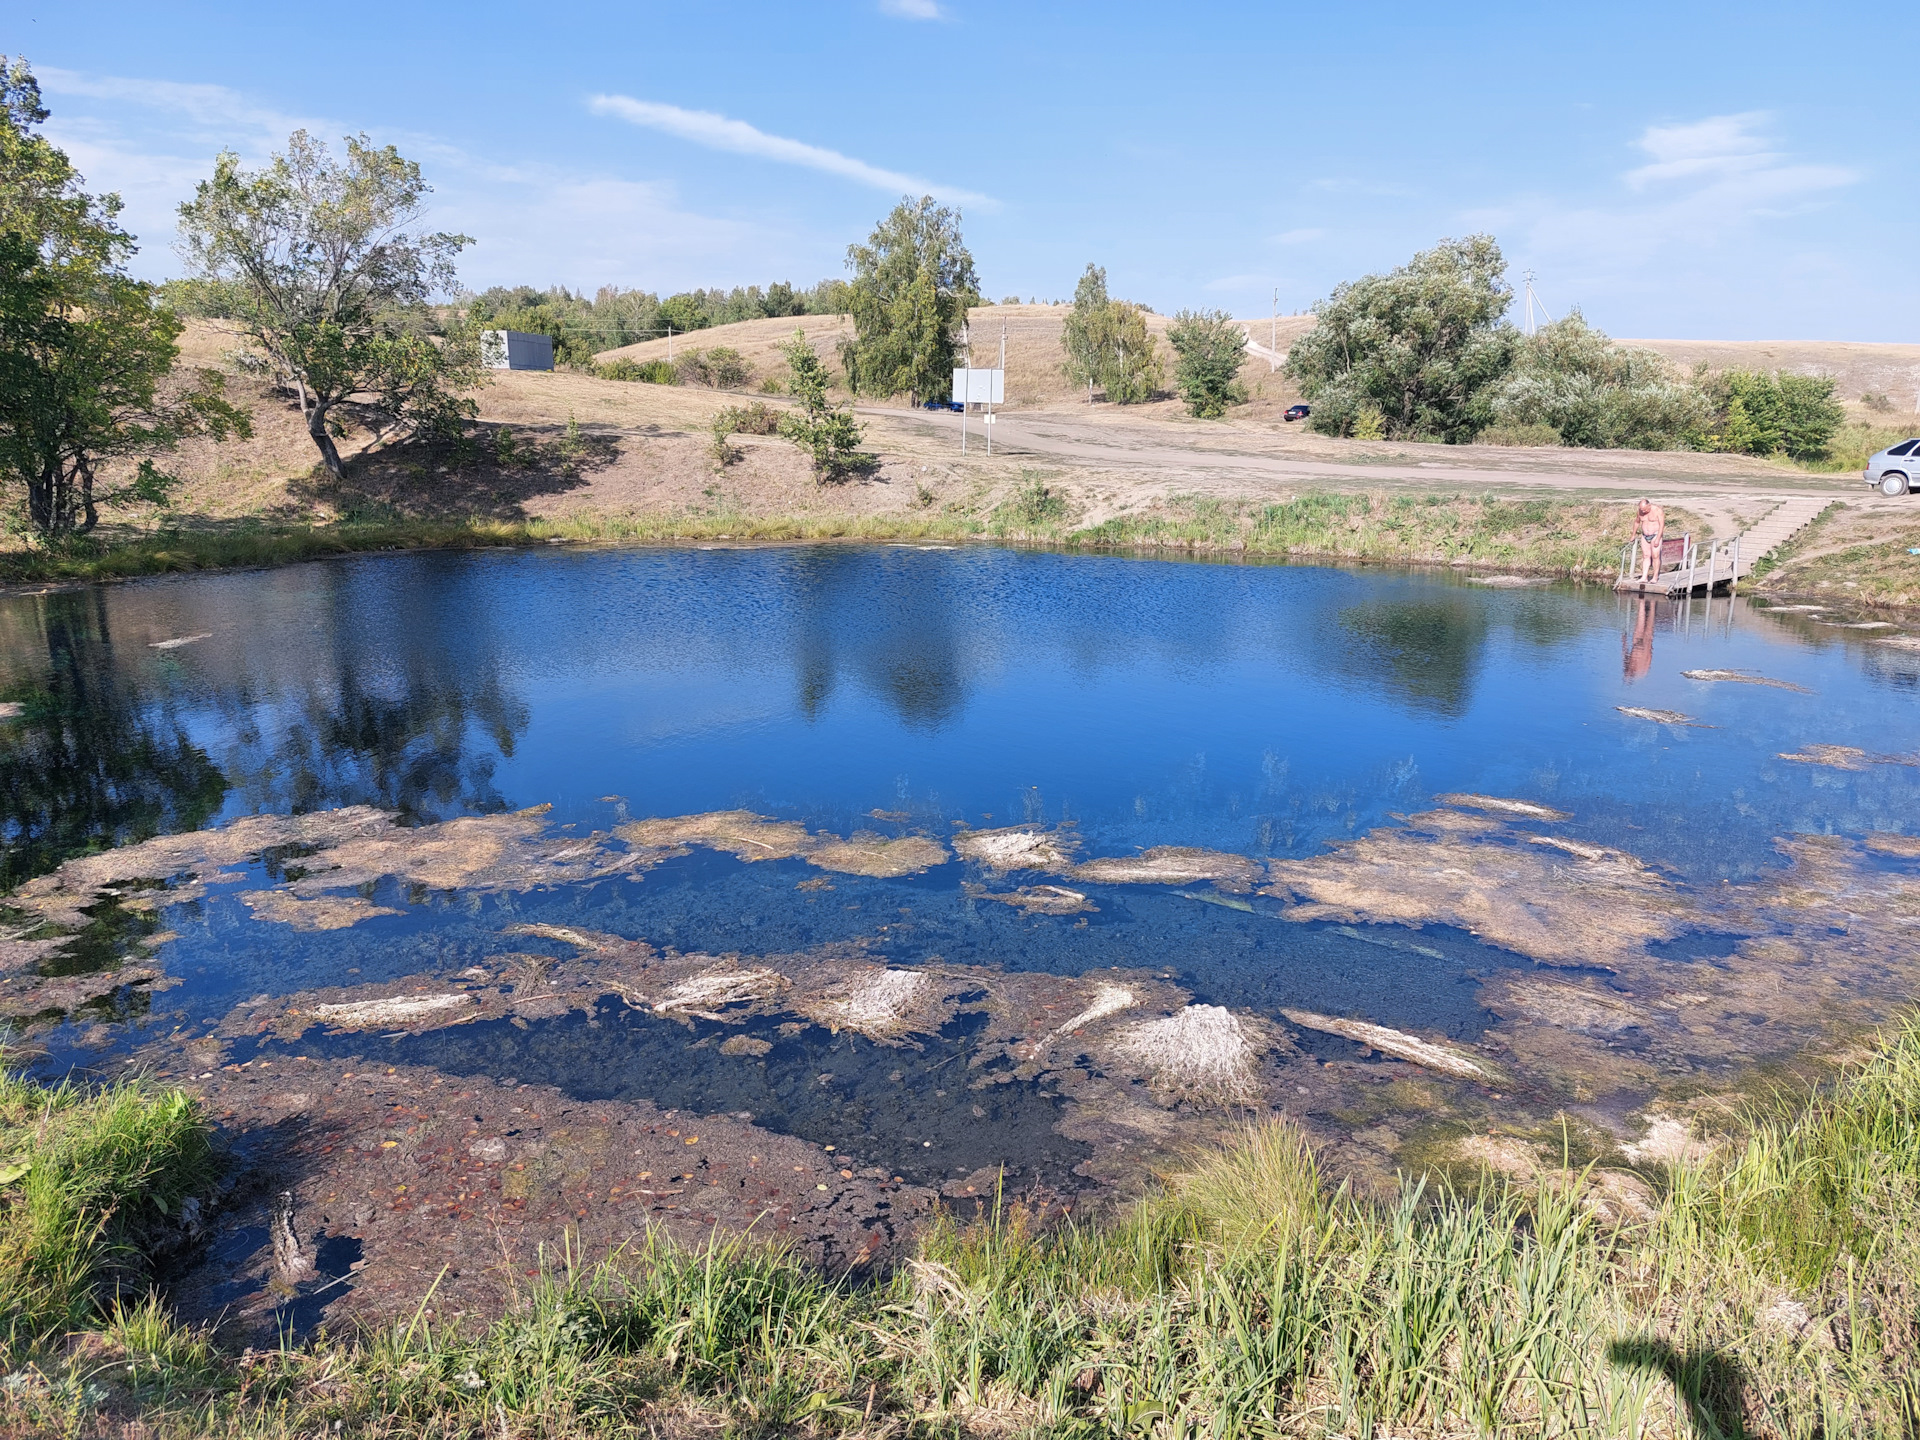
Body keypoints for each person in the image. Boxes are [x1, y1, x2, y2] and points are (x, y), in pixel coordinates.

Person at [1632, 498, 1666, 583]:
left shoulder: (1657, 511)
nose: (1643, 511)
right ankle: (1644, 577)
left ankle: (1655, 577)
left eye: (1645, 509)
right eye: (1641, 509)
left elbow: (1662, 525)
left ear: (1649, 505)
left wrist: (1658, 538)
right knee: (1646, 556)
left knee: (1655, 556)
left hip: (1655, 535)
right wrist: (1633, 534)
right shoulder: (1640, 511)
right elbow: (1637, 522)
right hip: (1644, 535)